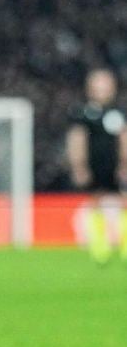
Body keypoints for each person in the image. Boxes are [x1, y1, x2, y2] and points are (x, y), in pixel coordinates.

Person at [66, 68, 127, 263]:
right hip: (95, 165)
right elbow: (77, 139)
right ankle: (99, 245)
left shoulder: (119, 112)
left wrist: (125, 162)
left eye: (105, 86)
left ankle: (124, 244)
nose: (102, 91)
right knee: (96, 201)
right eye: (98, 87)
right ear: (90, 89)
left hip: (115, 165)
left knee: (123, 202)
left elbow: (124, 138)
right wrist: (79, 166)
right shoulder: (83, 113)